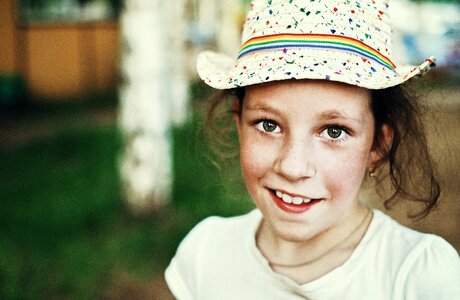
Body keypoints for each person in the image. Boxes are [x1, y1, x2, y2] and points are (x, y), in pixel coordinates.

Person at [165, 0, 460, 299]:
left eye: (334, 131)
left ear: (378, 144)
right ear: (239, 123)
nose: (293, 167)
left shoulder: (419, 277)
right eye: (268, 125)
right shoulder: (205, 254)